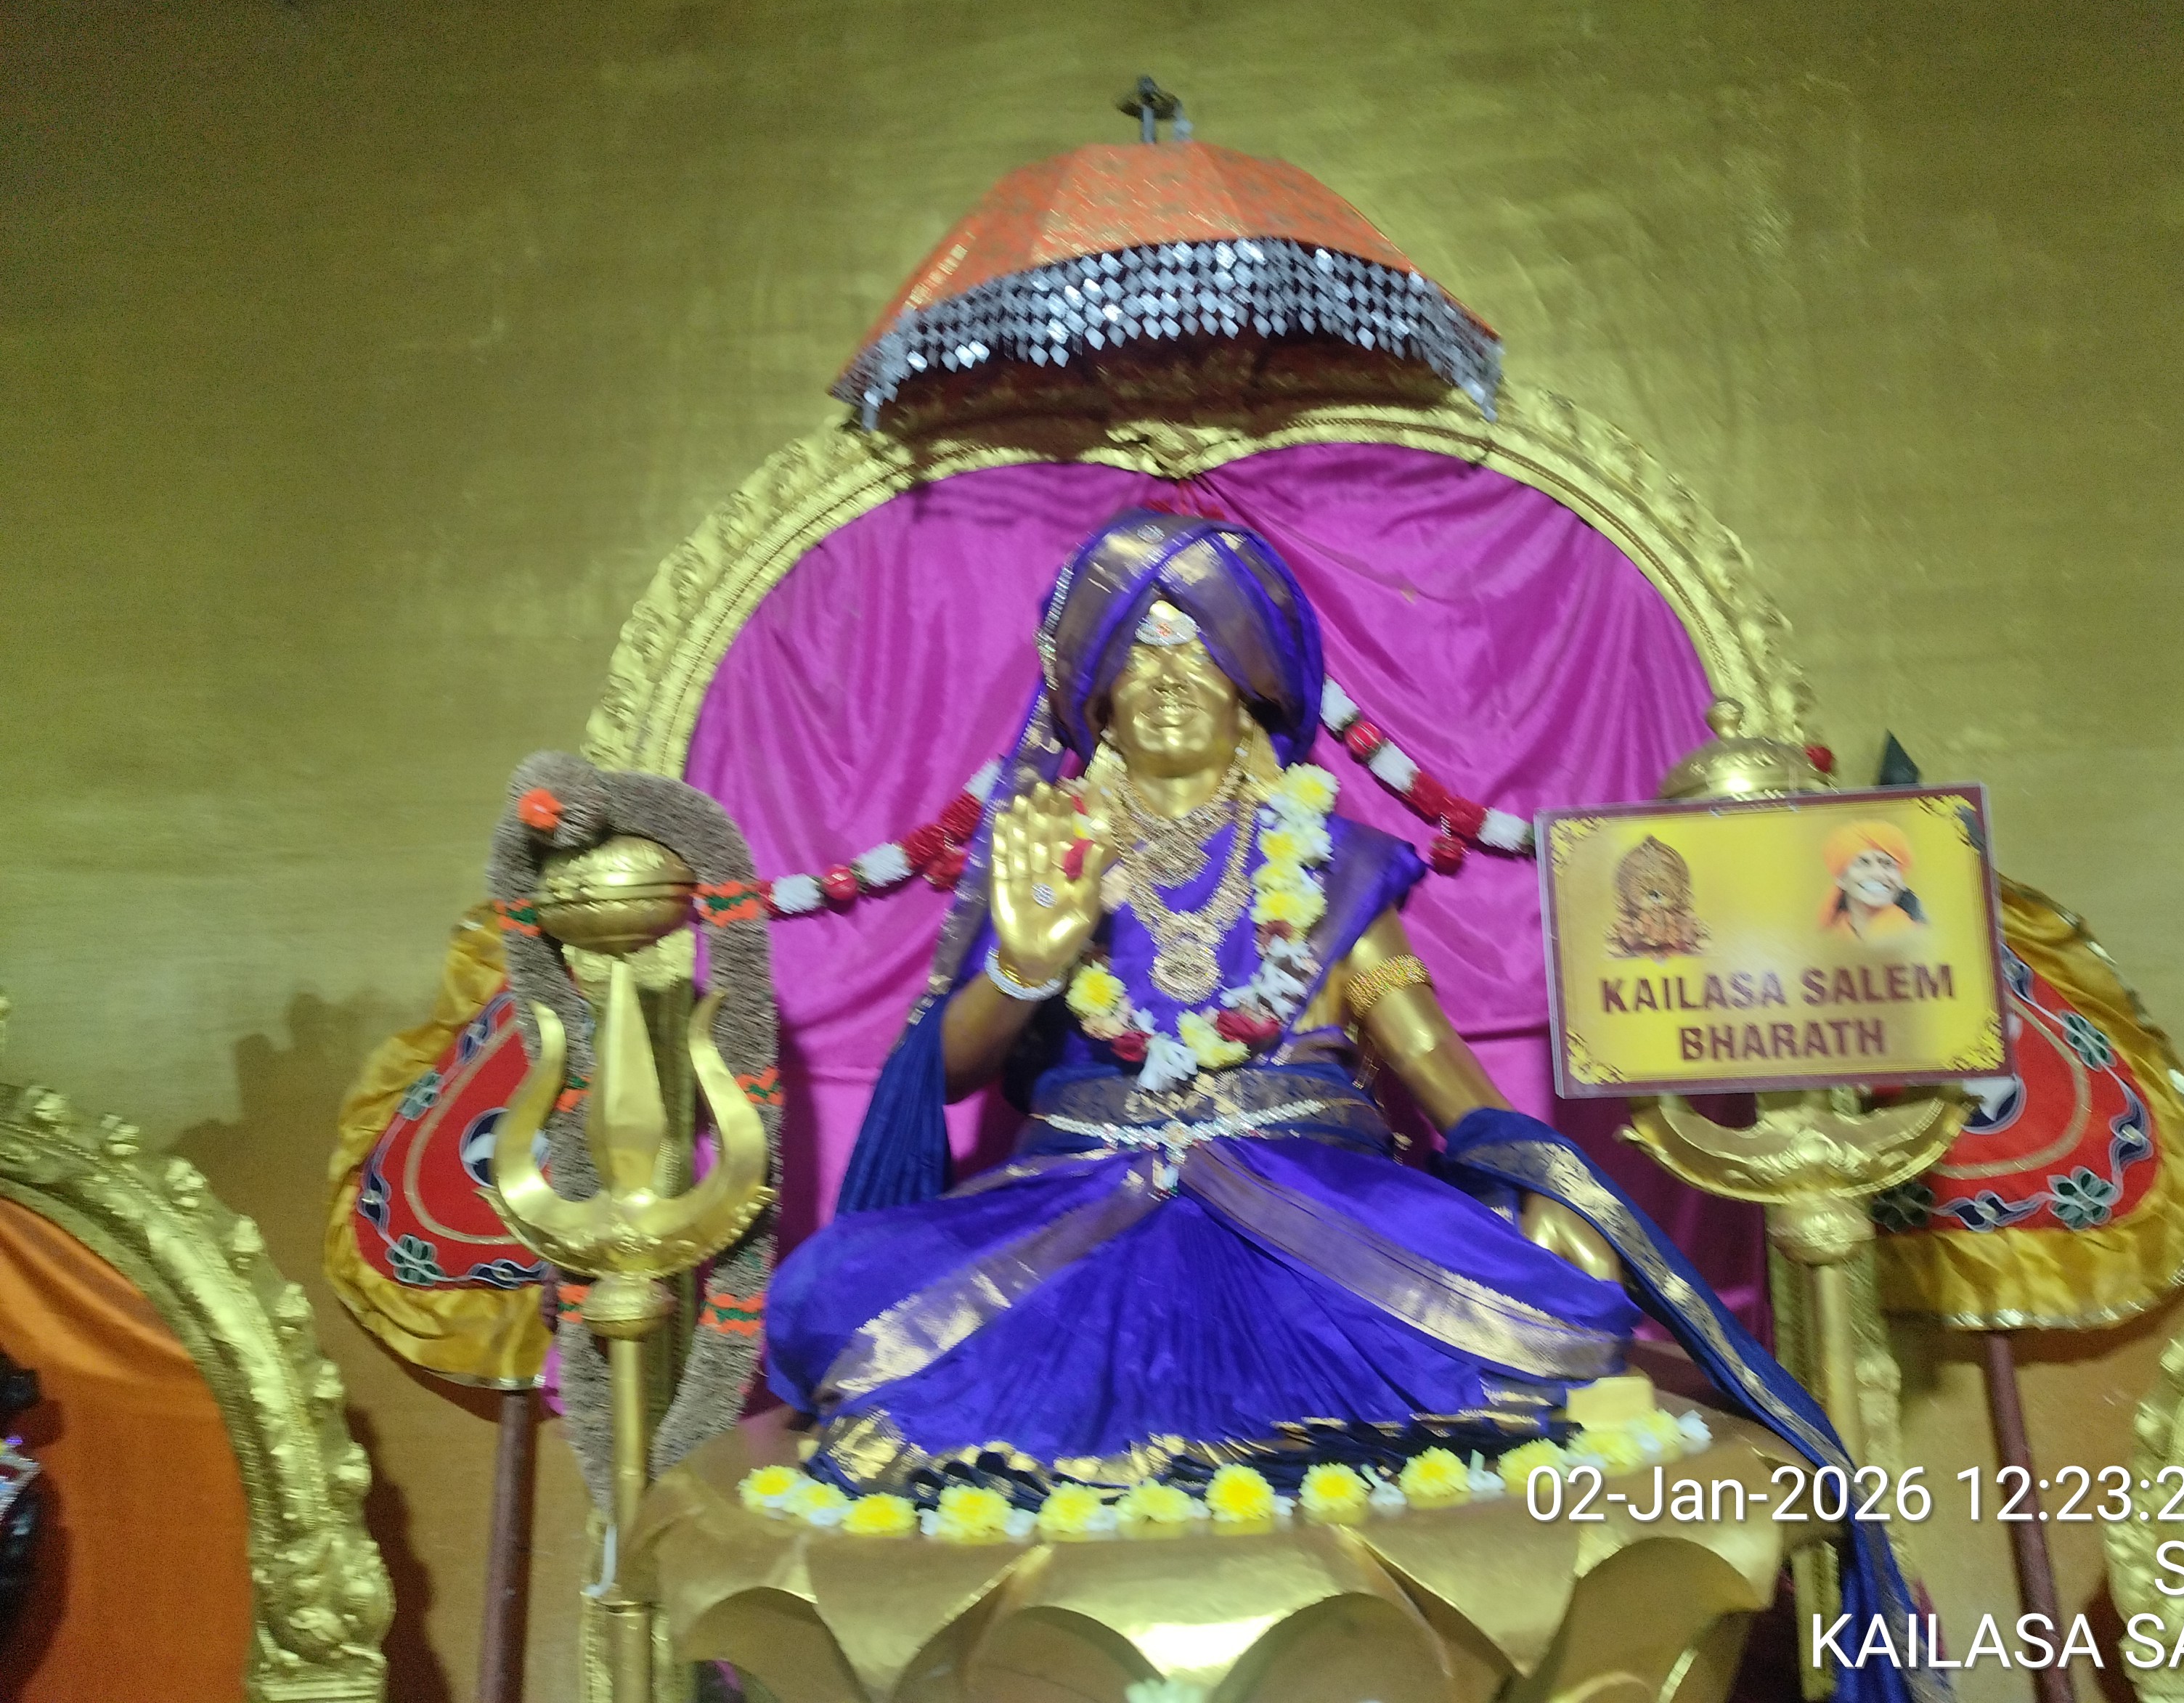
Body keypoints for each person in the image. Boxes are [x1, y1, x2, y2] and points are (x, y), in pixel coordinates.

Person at [762, 512, 1942, 1703]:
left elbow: (1419, 1042)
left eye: (1199, 648)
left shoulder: (1328, 860)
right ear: (1097, 700)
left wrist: (1535, 1170)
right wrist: (1024, 967)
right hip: (1077, 1196)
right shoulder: (1046, 849)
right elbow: (947, 1069)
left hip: (1313, 1196)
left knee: (1546, 1308)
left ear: (1253, 691)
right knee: (835, 1293)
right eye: (1140, 650)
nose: (1168, 676)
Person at [1822, 821, 1928, 939]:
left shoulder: (1917, 933)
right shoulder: (1830, 935)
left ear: (1900, 880)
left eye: (1887, 864)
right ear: (1841, 879)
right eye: (1863, 863)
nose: (1878, 874)